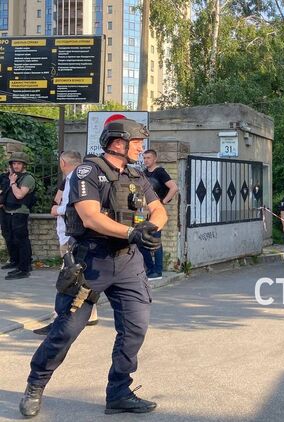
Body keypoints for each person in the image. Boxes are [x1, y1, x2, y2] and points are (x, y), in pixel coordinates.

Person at [20, 118, 166, 417]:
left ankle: (119, 393)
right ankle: (35, 385)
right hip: (91, 261)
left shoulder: (136, 175)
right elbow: (90, 217)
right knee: (66, 330)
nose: (141, 148)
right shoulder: (87, 172)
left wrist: (150, 229)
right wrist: (131, 232)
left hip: (128, 262)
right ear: (118, 143)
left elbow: (158, 209)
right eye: (137, 142)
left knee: (135, 329)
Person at [33, 151, 98, 336]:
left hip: (71, 236)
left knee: (67, 279)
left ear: (63, 162)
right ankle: (91, 314)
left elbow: (74, 206)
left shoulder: (74, 179)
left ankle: (58, 320)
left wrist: (56, 210)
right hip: (74, 235)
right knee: (82, 277)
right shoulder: (81, 178)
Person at [139, 149, 178, 280]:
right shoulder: (143, 173)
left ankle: (157, 271)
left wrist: (163, 202)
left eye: (148, 158)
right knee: (142, 240)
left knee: (155, 240)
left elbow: (174, 187)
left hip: (156, 212)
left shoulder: (160, 172)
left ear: (155, 159)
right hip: (144, 212)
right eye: (144, 158)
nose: (146, 160)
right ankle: (149, 269)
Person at [4, 151, 36, 280]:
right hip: (9, 212)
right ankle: (18, 264)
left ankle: (24, 268)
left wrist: (12, 183)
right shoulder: (12, 176)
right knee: (13, 240)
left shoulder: (27, 178)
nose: (16, 166)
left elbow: (19, 195)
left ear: (24, 165)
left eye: (19, 163)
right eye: (14, 163)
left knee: (22, 241)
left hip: (20, 212)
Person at [0, 164, 15, 269]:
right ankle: (13, 259)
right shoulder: (3, 177)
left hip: (14, 210)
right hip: (3, 210)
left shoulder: (20, 178)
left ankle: (18, 260)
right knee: (6, 234)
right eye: (11, 165)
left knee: (15, 235)